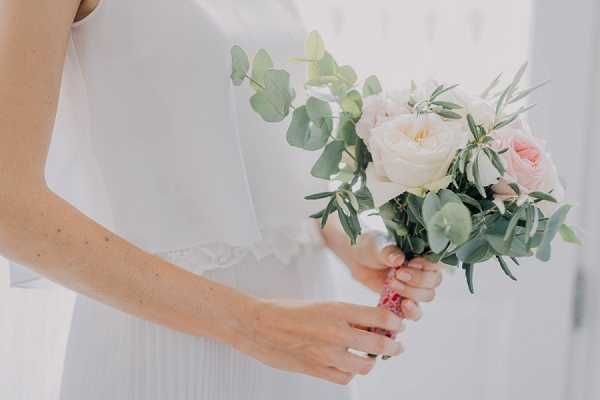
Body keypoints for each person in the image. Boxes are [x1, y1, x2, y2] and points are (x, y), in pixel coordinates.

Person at [0, 0, 442, 398]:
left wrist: (349, 240)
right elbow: (10, 207)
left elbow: (266, 150)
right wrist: (254, 325)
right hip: (161, 346)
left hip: (304, 338)